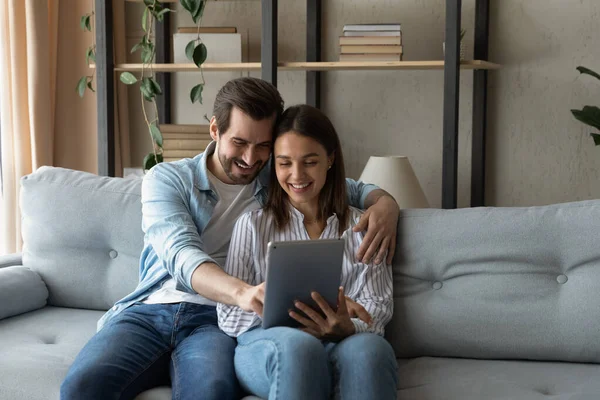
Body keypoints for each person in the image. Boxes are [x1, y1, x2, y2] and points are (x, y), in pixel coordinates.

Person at [60, 78, 400, 400]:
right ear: (214, 130)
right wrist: (244, 292)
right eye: (239, 142)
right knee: (82, 386)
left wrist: (385, 203)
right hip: (153, 311)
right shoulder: (169, 179)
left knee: (209, 392)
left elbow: (341, 185)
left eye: (263, 146)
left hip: (214, 320)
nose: (250, 158)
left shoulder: (275, 175)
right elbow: (181, 255)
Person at [217, 104, 398, 400]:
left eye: (310, 162)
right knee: (300, 349)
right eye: (284, 163)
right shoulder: (251, 225)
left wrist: (346, 327)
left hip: (344, 342)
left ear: (330, 159)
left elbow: (376, 308)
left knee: (371, 350)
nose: (296, 175)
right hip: (268, 343)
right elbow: (227, 315)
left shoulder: (363, 226)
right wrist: (283, 315)